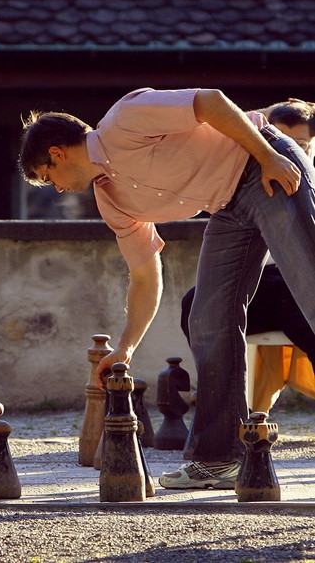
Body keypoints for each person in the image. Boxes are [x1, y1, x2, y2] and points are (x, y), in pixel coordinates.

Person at [18, 88, 315, 490]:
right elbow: (144, 275)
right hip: (228, 207)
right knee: (208, 318)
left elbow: (210, 102)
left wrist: (267, 155)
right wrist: (125, 347)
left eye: (48, 178)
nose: (56, 189)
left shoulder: (126, 117)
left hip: (264, 164)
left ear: (57, 153)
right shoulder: (112, 202)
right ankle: (219, 460)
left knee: (309, 287)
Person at [180, 101, 315, 360]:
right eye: (280, 139)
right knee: (195, 304)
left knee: (301, 313)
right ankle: (222, 394)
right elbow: (234, 120)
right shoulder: (253, 176)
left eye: (301, 143)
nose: (291, 150)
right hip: (264, 283)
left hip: (303, 283)